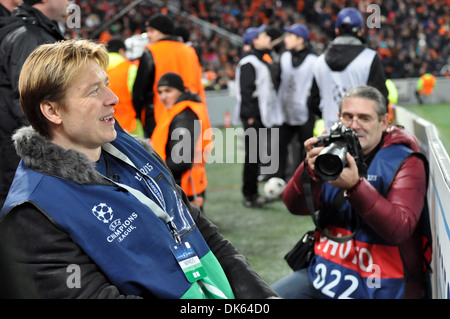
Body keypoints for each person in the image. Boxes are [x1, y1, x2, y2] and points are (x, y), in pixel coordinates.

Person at [0, 39, 278, 299]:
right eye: (93, 91)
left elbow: (203, 233)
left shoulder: (132, 148)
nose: (113, 98)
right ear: (52, 111)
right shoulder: (32, 211)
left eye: (105, 84)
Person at [272, 86, 431, 299]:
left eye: (364, 118)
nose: (354, 126)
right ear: (338, 118)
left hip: (381, 283)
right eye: (348, 117)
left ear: (384, 121)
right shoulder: (331, 150)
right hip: (326, 272)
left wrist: (355, 187)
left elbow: (399, 229)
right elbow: (294, 206)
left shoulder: (406, 160)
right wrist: (309, 171)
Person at [0, 0, 68, 209]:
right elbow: (29, 100)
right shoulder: (28, 36)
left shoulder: (31, 31)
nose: (69, 1)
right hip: (22, 151)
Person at [307, 7, 389, 133]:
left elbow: (313, 102)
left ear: (337, 30)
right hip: (362, 134)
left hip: (330, 131)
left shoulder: (319, 61)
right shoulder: (370, 58)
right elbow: (381, 99)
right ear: (361, 31)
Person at [132, 13, 206, 138]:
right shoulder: (190, 51)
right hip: (193, 114)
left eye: (151, 31)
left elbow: (139, 91)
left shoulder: (151, 51)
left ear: (162, 31)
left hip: (160, 117)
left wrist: (141, 115)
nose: (148, 35)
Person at [234, 24, 282, 208]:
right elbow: (246, 91)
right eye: (263, 36)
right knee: (253, 156)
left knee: (256, 155)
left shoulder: (257, 59)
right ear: (254, 40)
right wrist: (250, 115)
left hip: (259, 115)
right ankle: (250, 195)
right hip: (254, 116)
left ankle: (251, 193)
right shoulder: (249, 62)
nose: (268, 38)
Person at [151, 72, 212, 211]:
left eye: (168, 91)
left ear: (180, 90)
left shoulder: (185, 114)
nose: (163, 96)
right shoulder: (177, 111)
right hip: (183, 184)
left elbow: (181, 160)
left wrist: (154, 172)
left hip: (183, 186)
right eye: (160, 92)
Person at [275, 23, 317, 182]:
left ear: (301, 40)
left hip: (305, 113)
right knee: (280, 149)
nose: (286, 39)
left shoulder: (314, 59)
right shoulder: (284, 56)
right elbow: (277, 81)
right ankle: (279, 180)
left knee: (304, 150)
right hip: (285, 111)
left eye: (290, 36)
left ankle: (302, 181)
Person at [106, 38, 143, 137]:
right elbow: (137, 95)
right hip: (129, 123)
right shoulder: (130, 68)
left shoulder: (95, 68)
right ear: (121, 51)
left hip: (101, 124)